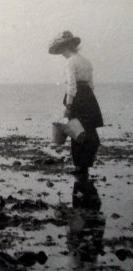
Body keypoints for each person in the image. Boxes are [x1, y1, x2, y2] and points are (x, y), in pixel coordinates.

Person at [49, 31, 103, 175]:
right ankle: (85, 166)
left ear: (64, 48)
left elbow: (71, 86)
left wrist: (69, 106)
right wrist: (90, 100)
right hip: (89, 98)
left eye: (60, 50)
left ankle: (80, 167)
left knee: (76, 132)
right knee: (90, 132)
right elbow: (91, 84)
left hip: (77, 99)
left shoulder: (70, 61)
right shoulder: (86, 61)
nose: (60, 53)